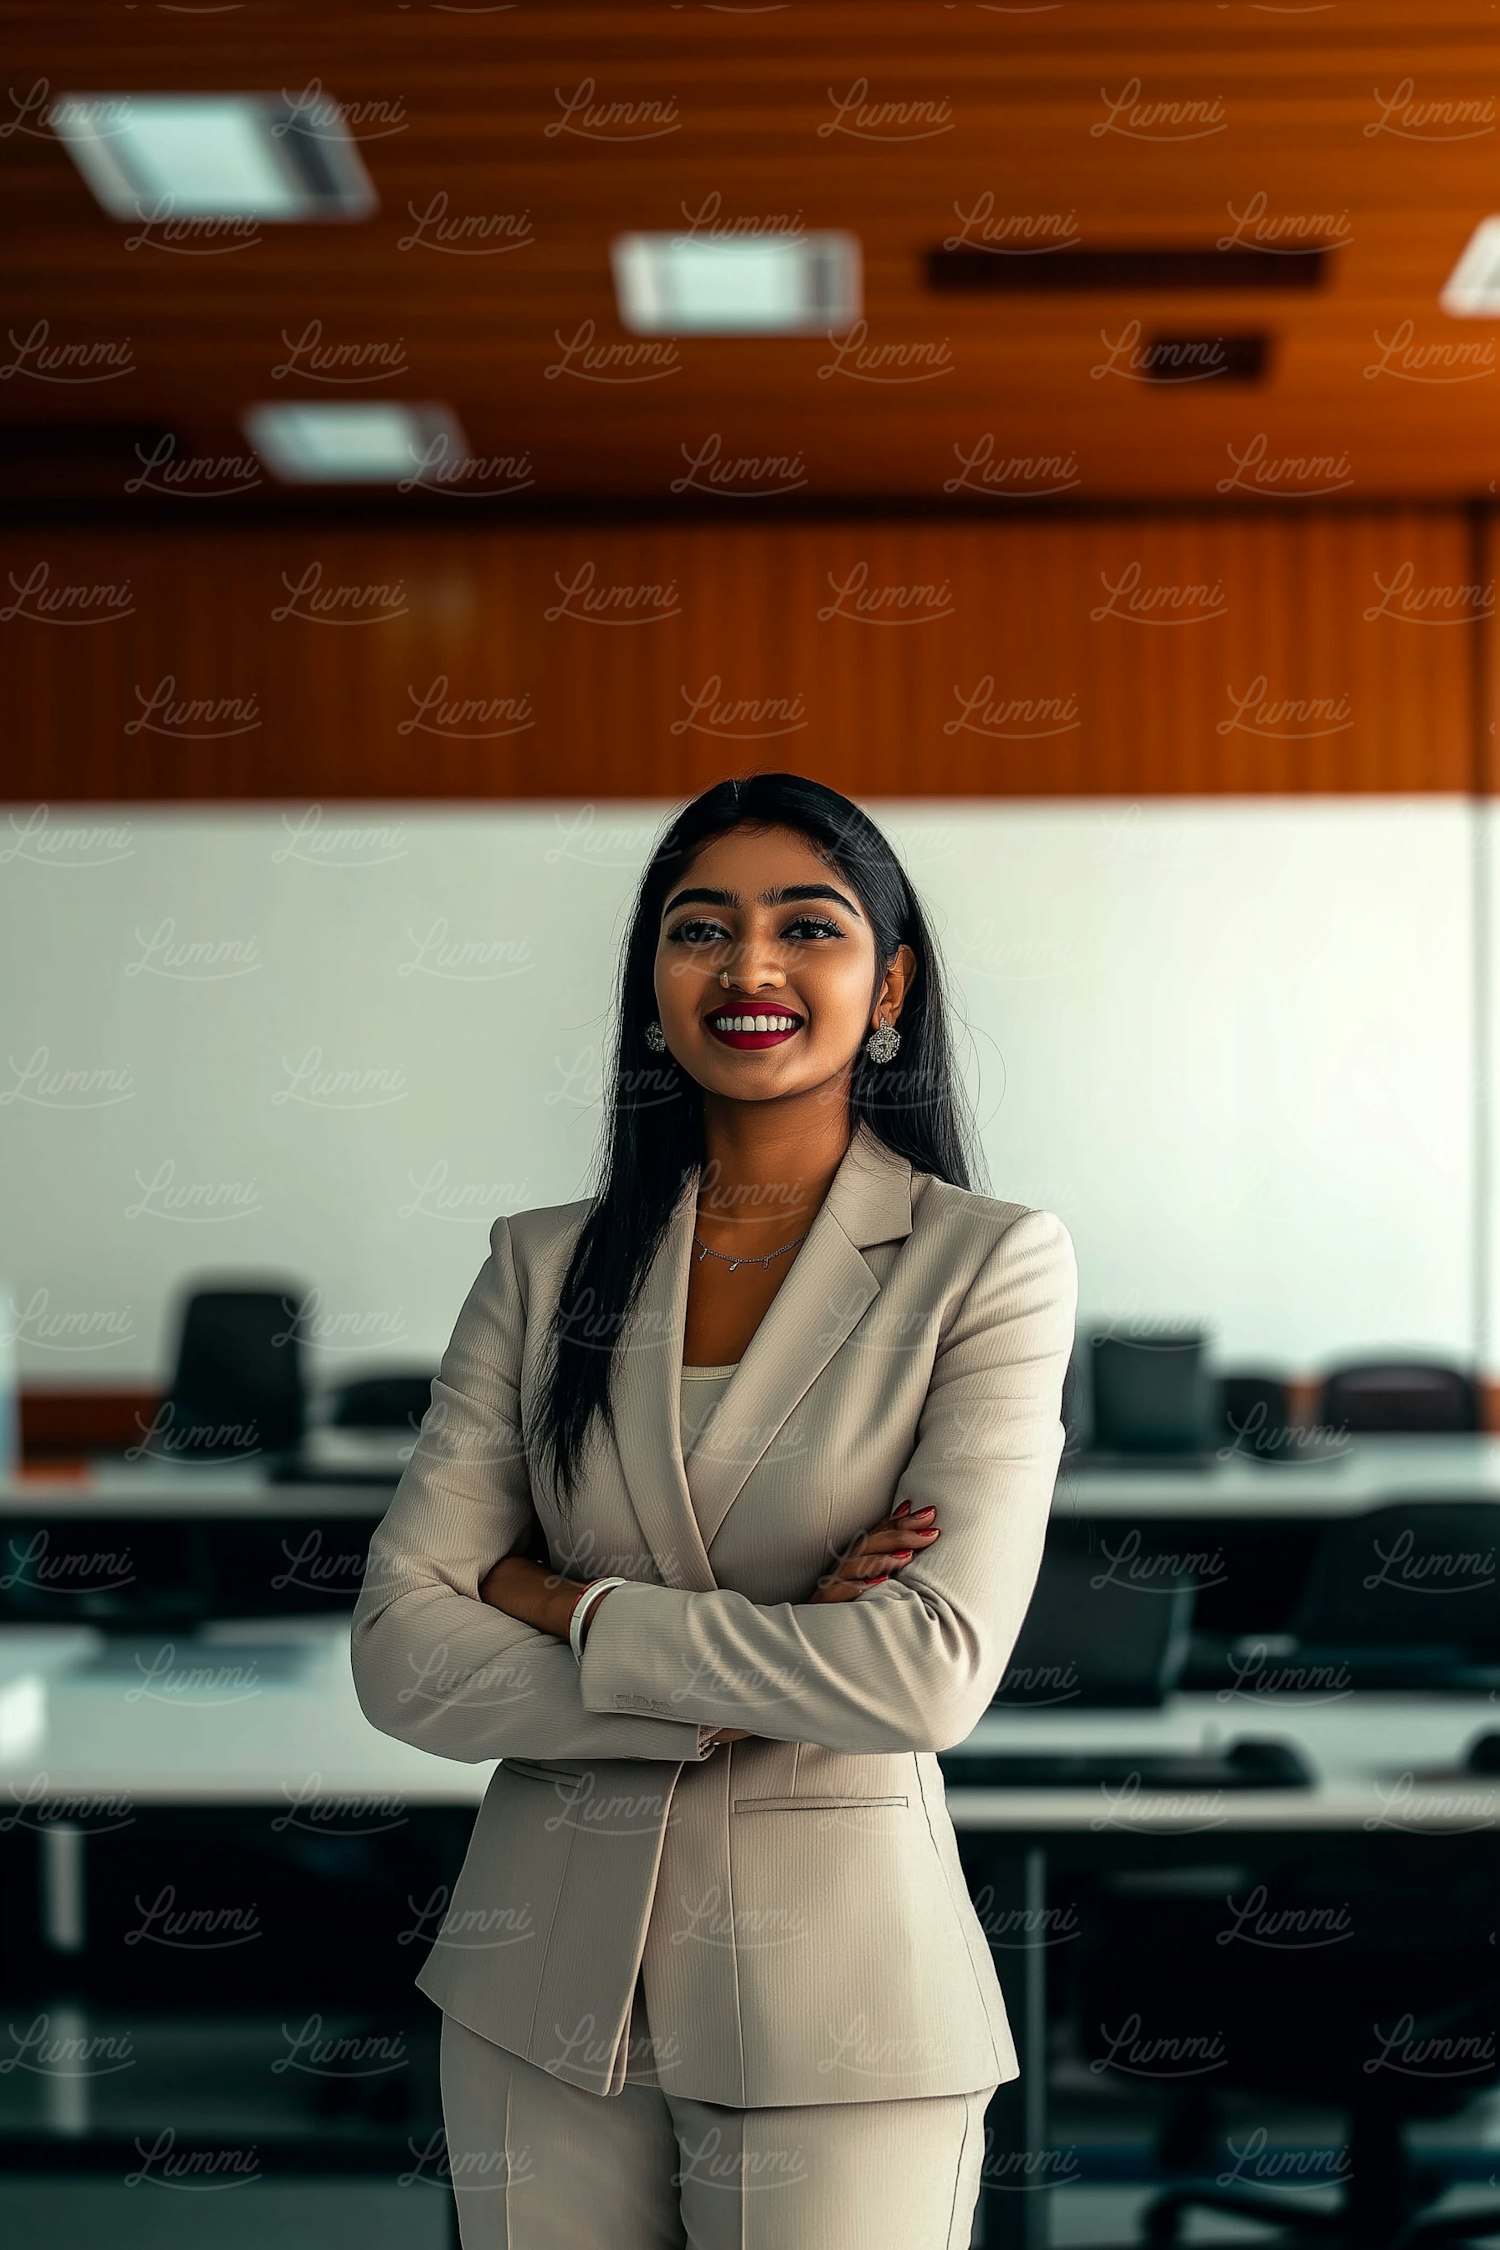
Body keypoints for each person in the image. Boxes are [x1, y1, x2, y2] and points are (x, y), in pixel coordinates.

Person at [351, 771, 1078, 2248]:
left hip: (840, 2005)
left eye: (806, 926)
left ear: (889, 982)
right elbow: (401, 1651)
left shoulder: (985, 1262)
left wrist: (571, 1605)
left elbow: (922, 1668)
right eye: (701, 931)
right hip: (535, 1993)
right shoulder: (541, 1266)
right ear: (653, 987)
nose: (749, 967)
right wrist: (781, 1644)